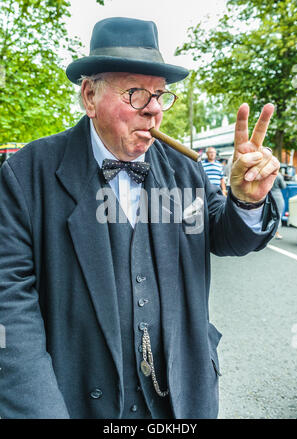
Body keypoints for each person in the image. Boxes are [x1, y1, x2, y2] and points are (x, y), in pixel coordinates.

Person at [0, 17, 280, 419]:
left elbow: (224, 235)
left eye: (160, 95)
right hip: (75, 400)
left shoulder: (184, 171)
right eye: (135, 93)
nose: (153, 110)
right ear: (89, 96)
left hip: (179, 400)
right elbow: (10, 306)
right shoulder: (28, 174)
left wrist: (246, 200)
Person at [271, 171, 286, 239]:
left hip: (268, 196)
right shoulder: (278, 175)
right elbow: (283, 186)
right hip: (277, 196)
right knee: (278, 214)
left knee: (268, 214)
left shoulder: (266, 174)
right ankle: (276, 233)